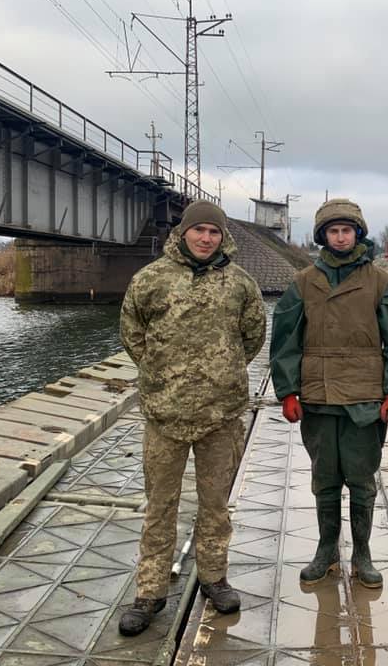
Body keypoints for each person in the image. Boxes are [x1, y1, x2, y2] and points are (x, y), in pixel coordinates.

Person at [118, 200, 266, 636]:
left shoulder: (240, 284)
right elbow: (132, 334)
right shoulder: (150, 280)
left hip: (221, 415)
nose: (206, 238)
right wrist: (164, 376)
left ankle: (214, 578)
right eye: (199, 230)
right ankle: (149, 592)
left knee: (215, 505)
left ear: (224, 237)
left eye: (214, 232)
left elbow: (253, 337)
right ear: (183, 233)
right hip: (165, 414)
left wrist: (221, 375)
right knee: (160, 506)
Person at [270, 198, 388, 588]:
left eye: (346, 230)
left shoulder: (382, 283)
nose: (340, 237)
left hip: (364, 398)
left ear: (358, 234)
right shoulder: (303, 283)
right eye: (333, 231)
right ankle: (326, 550)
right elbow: (285, 341)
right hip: (318, 397)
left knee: (362, 478)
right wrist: (287, 391)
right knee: (325, 478)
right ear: (322, 236)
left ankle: (363, 554)